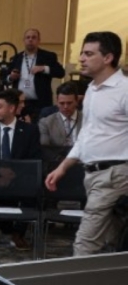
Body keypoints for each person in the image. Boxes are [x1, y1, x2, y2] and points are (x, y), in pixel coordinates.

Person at [45, 32, 128, 266]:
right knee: (115, 242)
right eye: (82, 52)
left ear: (108, 57)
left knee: (85, 244)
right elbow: (87, 136)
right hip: (92, 176)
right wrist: (62, 168)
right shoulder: (92, 89)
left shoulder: (124, 89)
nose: (81, 58)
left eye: (89, 53)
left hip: (114, 176)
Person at [0, 89, 42, 250]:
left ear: (12, 108)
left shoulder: (29, 131)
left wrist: (14, 174)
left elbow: (34, 159)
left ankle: (18, 233)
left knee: (32, 187)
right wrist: (0, 173)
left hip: (20, 177)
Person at [5, 28, 66, 122]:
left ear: (38, 41)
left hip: (41, 102)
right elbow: (4, 77)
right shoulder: (16, 58)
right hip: (20, 103)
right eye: (28, 37)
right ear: (24, 40)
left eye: (34, 37)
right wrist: (11, 77)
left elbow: (61, 72)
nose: (30, 40)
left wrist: (44, 68)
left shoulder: (48, 56)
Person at [39, 81, 83, 165]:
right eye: (62, 103)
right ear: (56, 101)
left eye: (69, 103)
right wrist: (60, 160)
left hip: (83, 162)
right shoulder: (46, 122)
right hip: (57, 163)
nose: (65, 107)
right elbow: (43, 148)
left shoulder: (87, 120)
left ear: (77, 101)